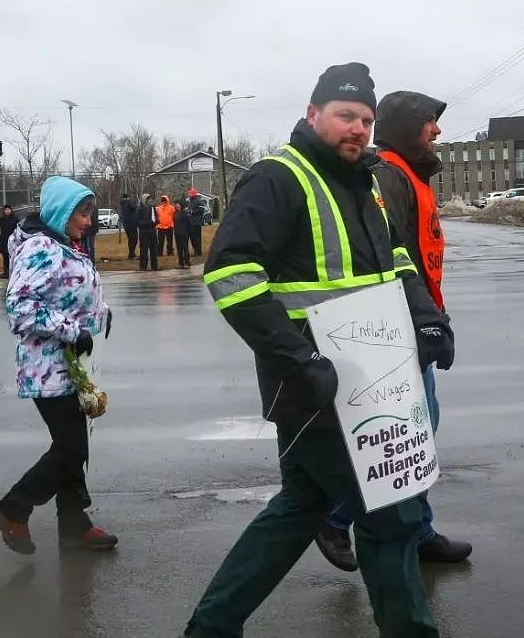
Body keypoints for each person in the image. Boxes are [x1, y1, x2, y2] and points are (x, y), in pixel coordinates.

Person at [186, 63, 454, 638]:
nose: (356, 128)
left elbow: (397, 262)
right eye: (344, 116)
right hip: (316, 385)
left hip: (369, 379)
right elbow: (230, 273)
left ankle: (211, 627)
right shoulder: (279, 177)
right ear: (313, 115)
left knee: (301, 508)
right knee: (392, 514)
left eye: (365, 119)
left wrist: (430, 322)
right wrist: (298, 358)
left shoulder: (365, 184)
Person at [314, 91, 472, 571]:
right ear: (407, 127)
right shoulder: (389, 175)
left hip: (416, 323)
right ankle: (336, 517)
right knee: (405, 432)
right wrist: (421, 321)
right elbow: (390, 253)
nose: (437, 131)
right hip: (398, 327)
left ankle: (418, 530)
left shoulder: (408, 175)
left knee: (419, 430)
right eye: (429, 122)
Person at [0, 176, 117, 555]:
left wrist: (102, 314)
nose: (88, 221)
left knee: (72, 446)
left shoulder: (64, 245)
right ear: (62, 212)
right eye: (83, 213)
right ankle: (13, 508)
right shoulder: (40, 247)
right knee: (72, 449)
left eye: (90, 213)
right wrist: (73, 331)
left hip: (72, 366)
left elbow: (69, 293)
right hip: (49, 368)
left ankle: (75, 525)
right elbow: (21, 308)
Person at [135, 193, 158, 271]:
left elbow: (156, 218)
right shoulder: (140, 209)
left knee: (154, 250)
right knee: (144, 250)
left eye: (150, 199)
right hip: (144, 233)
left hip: (152, 232)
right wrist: (148, 223)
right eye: (148, 199)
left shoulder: (153, 208)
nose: (150, 200)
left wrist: (157, 221)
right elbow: (138, 222)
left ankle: (155, 266)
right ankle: (143, 266)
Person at [0, 204, 20, 279]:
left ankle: (13, 271)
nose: (7, 211)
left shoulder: (15, 219)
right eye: (5, 210)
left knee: (12, 256)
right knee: (5, 255)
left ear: (11, 210)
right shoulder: (2, 219)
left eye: (8, 209)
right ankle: (6, 272)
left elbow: (19, 227)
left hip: (12, 239)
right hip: (4, 239)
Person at [186, 188, 205, 257]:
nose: (189, 195)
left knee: (196, 238)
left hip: (196, 223)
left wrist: (192, 212)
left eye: (190, 194)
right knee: (192, 238)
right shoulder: (190, 202)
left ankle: (198, 251)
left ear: (194, 194)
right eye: (189, 194)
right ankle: (196, 250)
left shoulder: (198, 201)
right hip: (191, 222)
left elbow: (202, 209)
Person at [173, 200, 192, 269]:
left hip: (184, 233)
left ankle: (187, 263)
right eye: (176, 205)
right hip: (177, 233)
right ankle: (181, 263)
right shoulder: (174, 213)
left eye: (178, 204)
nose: (177, 206)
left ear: (181, 205)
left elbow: (189, 223)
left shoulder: (185, 213)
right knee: (179, 249)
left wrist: (189, 232)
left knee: (185, 248)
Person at [119, 193, 138, 259]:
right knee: (134, 239)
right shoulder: (128, 202)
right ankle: (131, 254)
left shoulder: (122, 204)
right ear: (127, 198)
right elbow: (134, 208)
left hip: (126, 225)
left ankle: (132, 253)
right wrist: (132, 201)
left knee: (130, 239)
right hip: (132, 224)